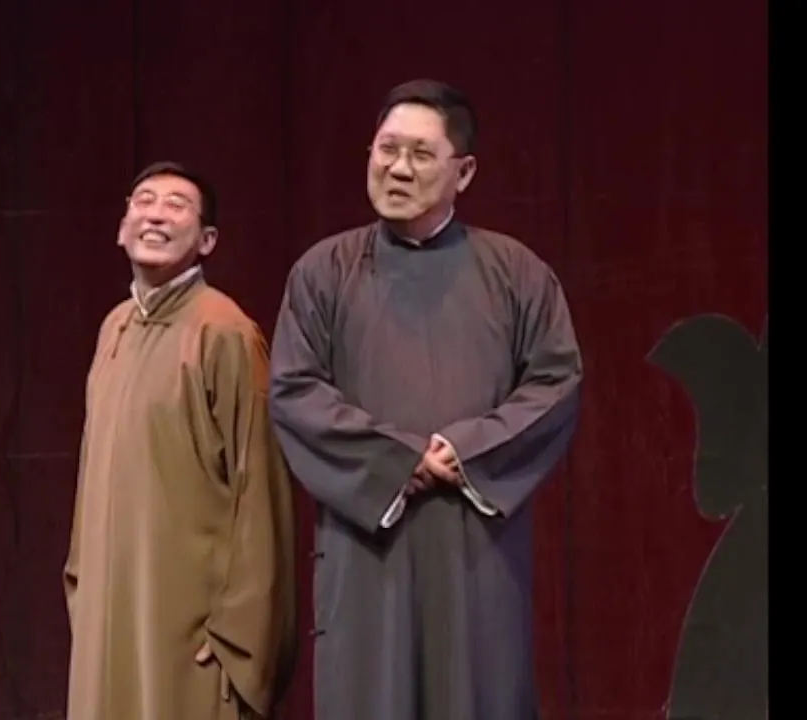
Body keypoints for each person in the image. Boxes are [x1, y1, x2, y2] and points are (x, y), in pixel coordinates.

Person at [268, 79, 583, 720]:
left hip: (476, 547)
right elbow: (295, 390)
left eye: (420, 154)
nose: (398, 169)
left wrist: (463, 451)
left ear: (463, 172)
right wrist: (399, 460)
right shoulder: (323, 273)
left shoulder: (515, 273)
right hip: (367, 542)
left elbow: (556, 384)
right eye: (386, 149)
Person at [64, 161, 298, 720]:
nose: (156, 215)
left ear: (207, 240)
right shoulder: (115, 327)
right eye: (143, 201)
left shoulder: (225, 332)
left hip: (188, 629)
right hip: (111, 609)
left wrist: (241, 632)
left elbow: (260, 491)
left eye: (176, 205)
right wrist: (83, 586)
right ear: (121, 227)